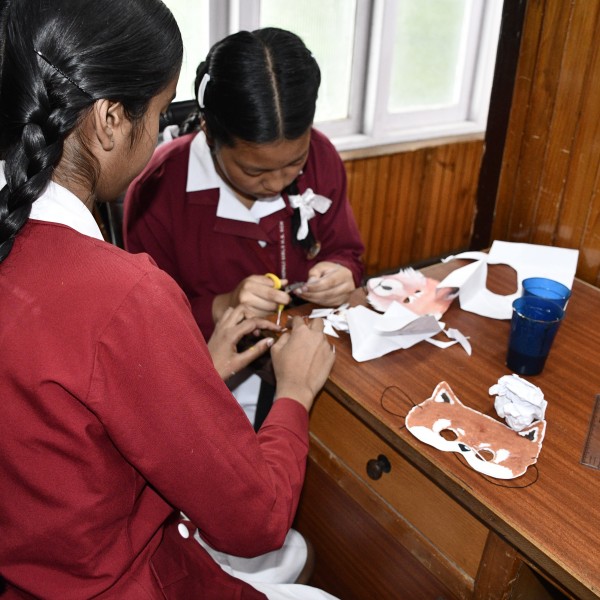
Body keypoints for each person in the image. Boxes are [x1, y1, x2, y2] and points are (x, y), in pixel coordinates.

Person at [0, 2, 338, 599]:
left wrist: (195, 372)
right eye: (160, 113)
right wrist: (295, 391)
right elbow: (255, 521)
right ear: (110, 119)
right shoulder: (125, 294)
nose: (162, 131)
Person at [123, 27, 365, 428]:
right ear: (209, 132)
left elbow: (347, 251)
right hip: (204, 388)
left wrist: (342, 272)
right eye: (255, 171)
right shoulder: (159, 190)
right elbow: (150, 325)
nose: (276, 182)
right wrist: (223, 305)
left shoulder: (321, 156)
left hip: (306, 366)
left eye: (294, 164)